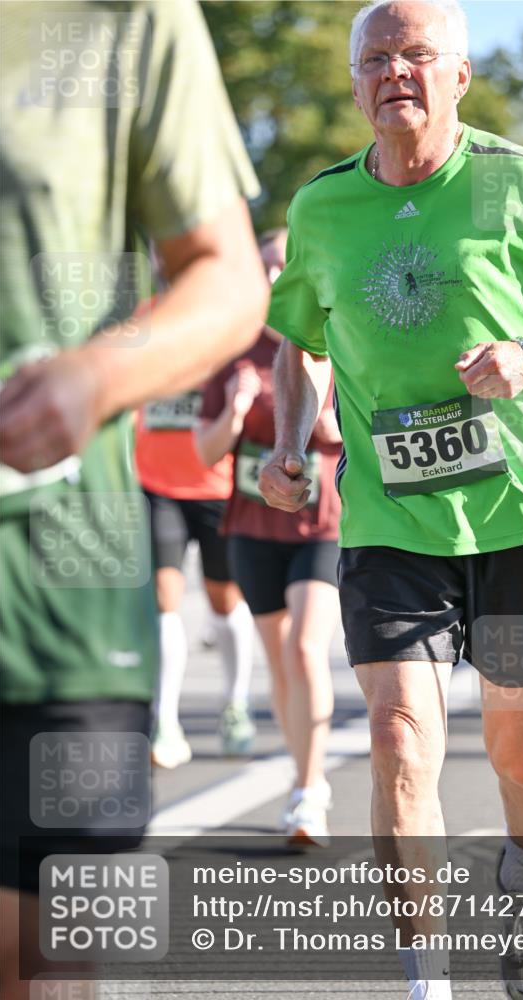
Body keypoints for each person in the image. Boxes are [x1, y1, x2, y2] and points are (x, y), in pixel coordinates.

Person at [257, 1, 523, 997]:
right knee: (399, 738)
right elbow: (298, 342)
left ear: (459, 75)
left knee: (517, 750)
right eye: (375, 59)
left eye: (416, 55)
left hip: (521, 517)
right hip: (389, 519)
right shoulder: (320, 209)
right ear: (355, 83)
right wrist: (285, 442)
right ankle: (425, 979)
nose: (394, 72)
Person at [0, 2, 268, 997]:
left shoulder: (125, 17)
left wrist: (97, 377)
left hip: (65, 578)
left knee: (49, 955)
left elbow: (227, 276)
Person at [196, 229, 343, 845]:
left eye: (287, 261)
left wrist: (309, 413)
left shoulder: (336, 339)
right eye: (267, 264)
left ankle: (310, 791)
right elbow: (205, 450)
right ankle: (301, 772)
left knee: (307, 650)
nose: (279, 270)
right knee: (281, 661)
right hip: (253, 524)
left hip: (321, 523)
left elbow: (347, 435)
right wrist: (236, 409)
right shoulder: (234, 351)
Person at [135, 295, 256, 767]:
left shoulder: (221, 307)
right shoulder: (142, 316)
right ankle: (164, 719)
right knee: (163, 600)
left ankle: (236, 704)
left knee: (224, 600)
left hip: (216, 484)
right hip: (155, 483)